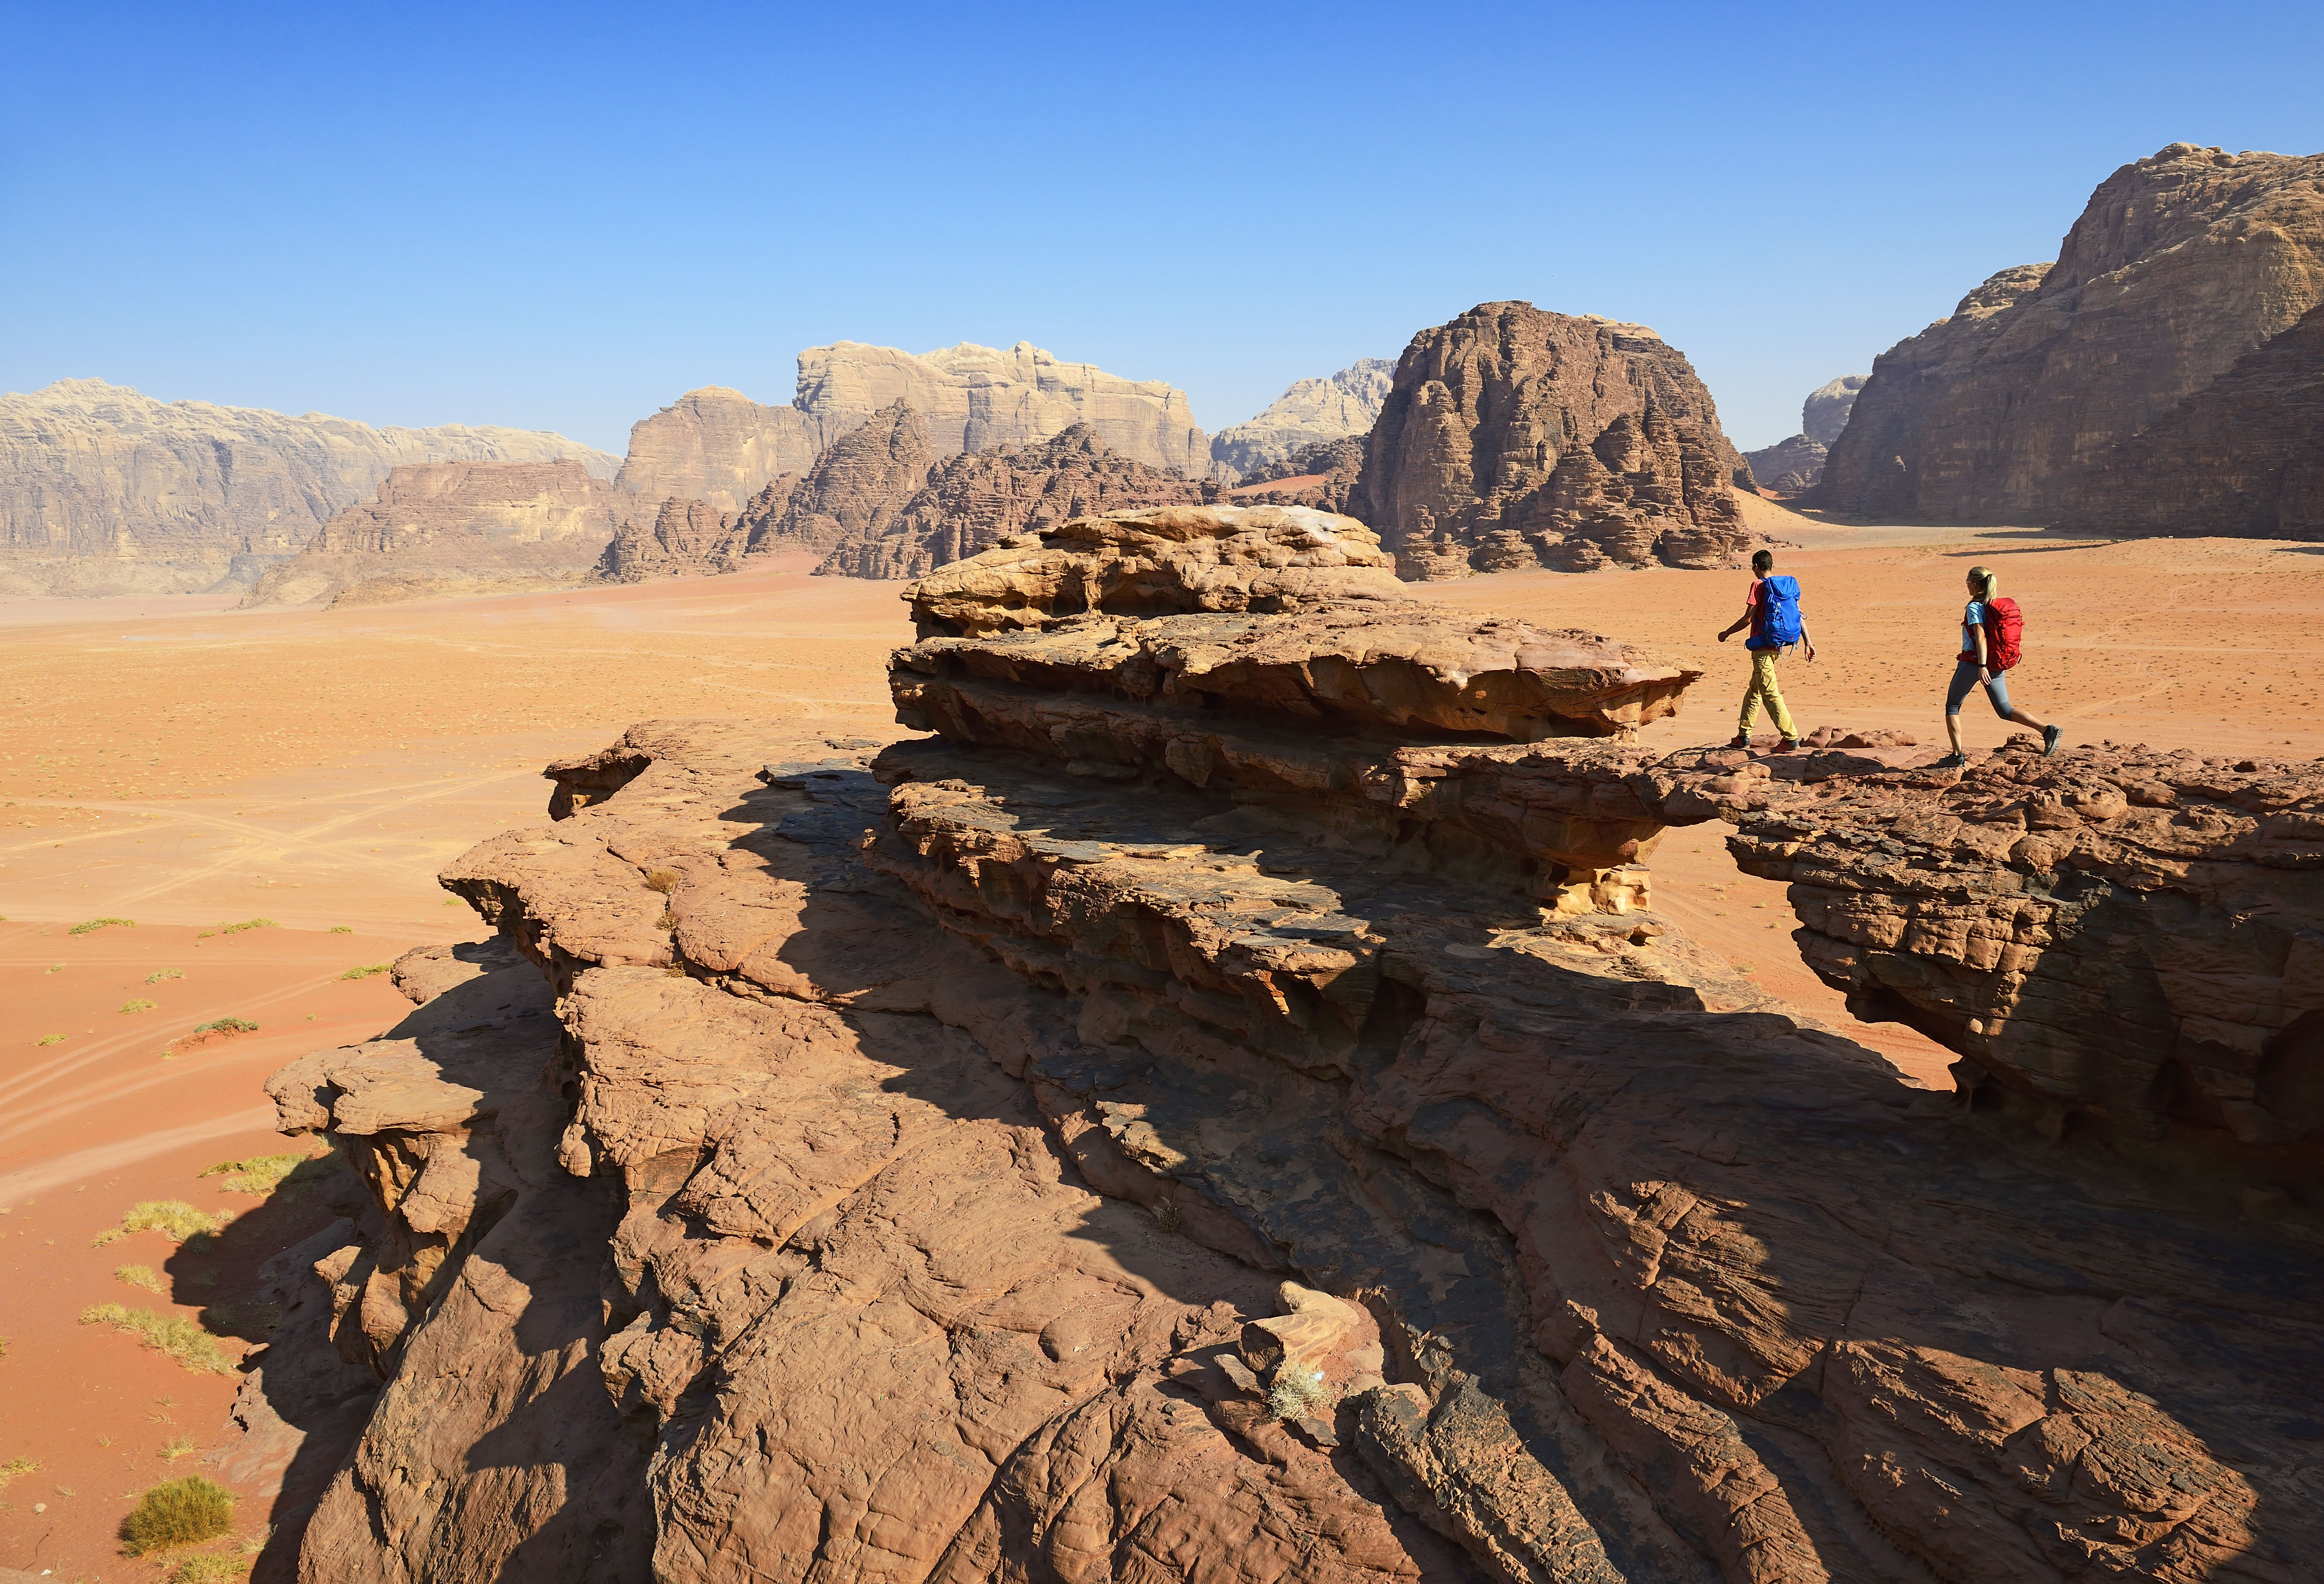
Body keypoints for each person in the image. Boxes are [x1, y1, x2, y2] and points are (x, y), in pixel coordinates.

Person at [1938, 564, 2062, 766]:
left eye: (1968, 582)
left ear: (1975, 584)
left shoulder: (1975, 607)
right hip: (1997, 662)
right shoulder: (1993, 606)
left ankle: (1957, 756)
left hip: (1974, 663)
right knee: (2005, 710)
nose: (1967, 585)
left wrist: (1982, 666)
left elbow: (1980, 637)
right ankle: (2047, 730)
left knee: (1952, 706)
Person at [1715, 548, 1814, 751]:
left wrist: (1726, 633)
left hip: (1762, 648)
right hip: (1778, 646)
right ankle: (1743, 736)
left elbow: (1748, 619)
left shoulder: (1758, 585)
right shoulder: (1783, 587)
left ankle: (1790, 738)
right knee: (1755, 690)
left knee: (1770, 692)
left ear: (1756, 567)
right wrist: (1808, 642)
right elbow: (1798, 615)